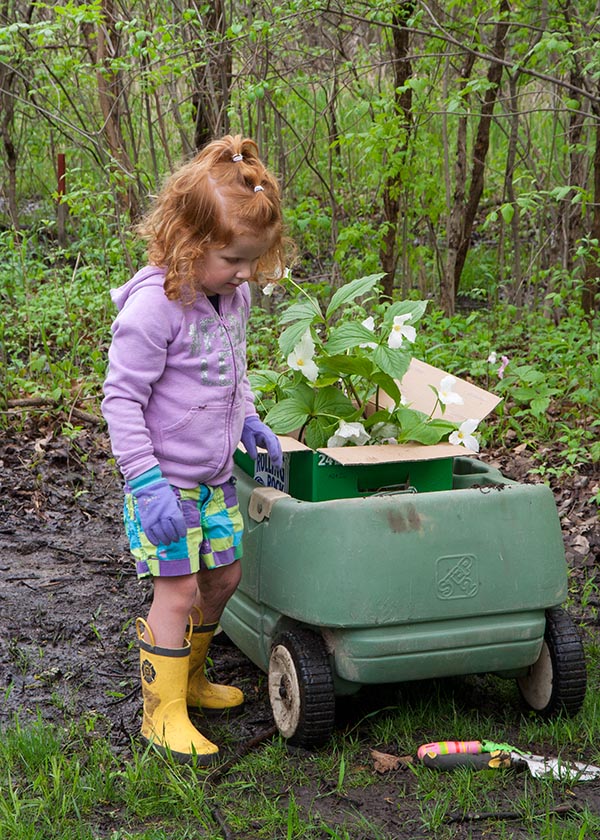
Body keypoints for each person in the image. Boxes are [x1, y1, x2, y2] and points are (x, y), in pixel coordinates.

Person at [102, 135, 285, 764]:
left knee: (225, 576)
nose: (244, 274)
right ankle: (162, 712)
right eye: (234, 259)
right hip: (165, 484)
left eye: (252, 262)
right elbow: (121, 400)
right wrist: (144, 481)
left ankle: (195, 680)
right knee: (176, 590)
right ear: (188, 240)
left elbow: (232, 373)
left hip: (214, 480)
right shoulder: (155, 308)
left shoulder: (230, 298)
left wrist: (252, 421)